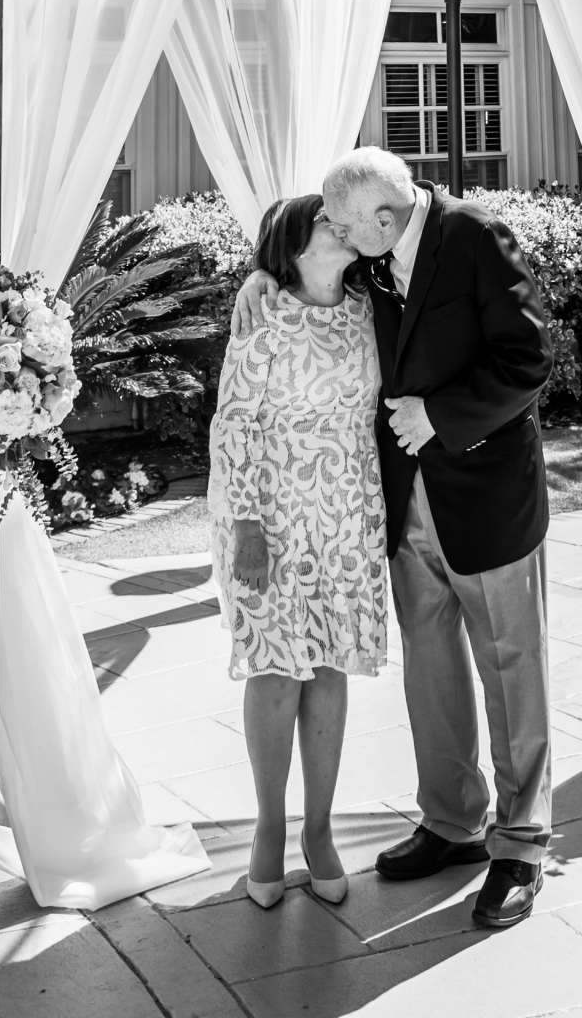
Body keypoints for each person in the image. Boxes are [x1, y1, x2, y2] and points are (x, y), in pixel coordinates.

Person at [234, 145, 553, 931]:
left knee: (510, 667)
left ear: (385, 216)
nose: (336, 232)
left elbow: (529, 359)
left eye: (344, 221)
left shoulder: (475, 234)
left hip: (485, 494)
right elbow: (304, 285)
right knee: (432, 667)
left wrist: (442, 417)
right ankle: (452, 822)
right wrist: (259, 276)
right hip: (402, 501)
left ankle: (520, 844)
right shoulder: (370, 261)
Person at [208, 191, 388, 909]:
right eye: (326, 222)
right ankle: (269, 828)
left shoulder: (369, 307)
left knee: (332, 666)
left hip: (348, 510)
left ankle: (319, 831)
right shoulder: (262, 312)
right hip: (271, 514)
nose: (341, 228)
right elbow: (234, 423)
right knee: (277, 671)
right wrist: (247, 523)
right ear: (293, 245)